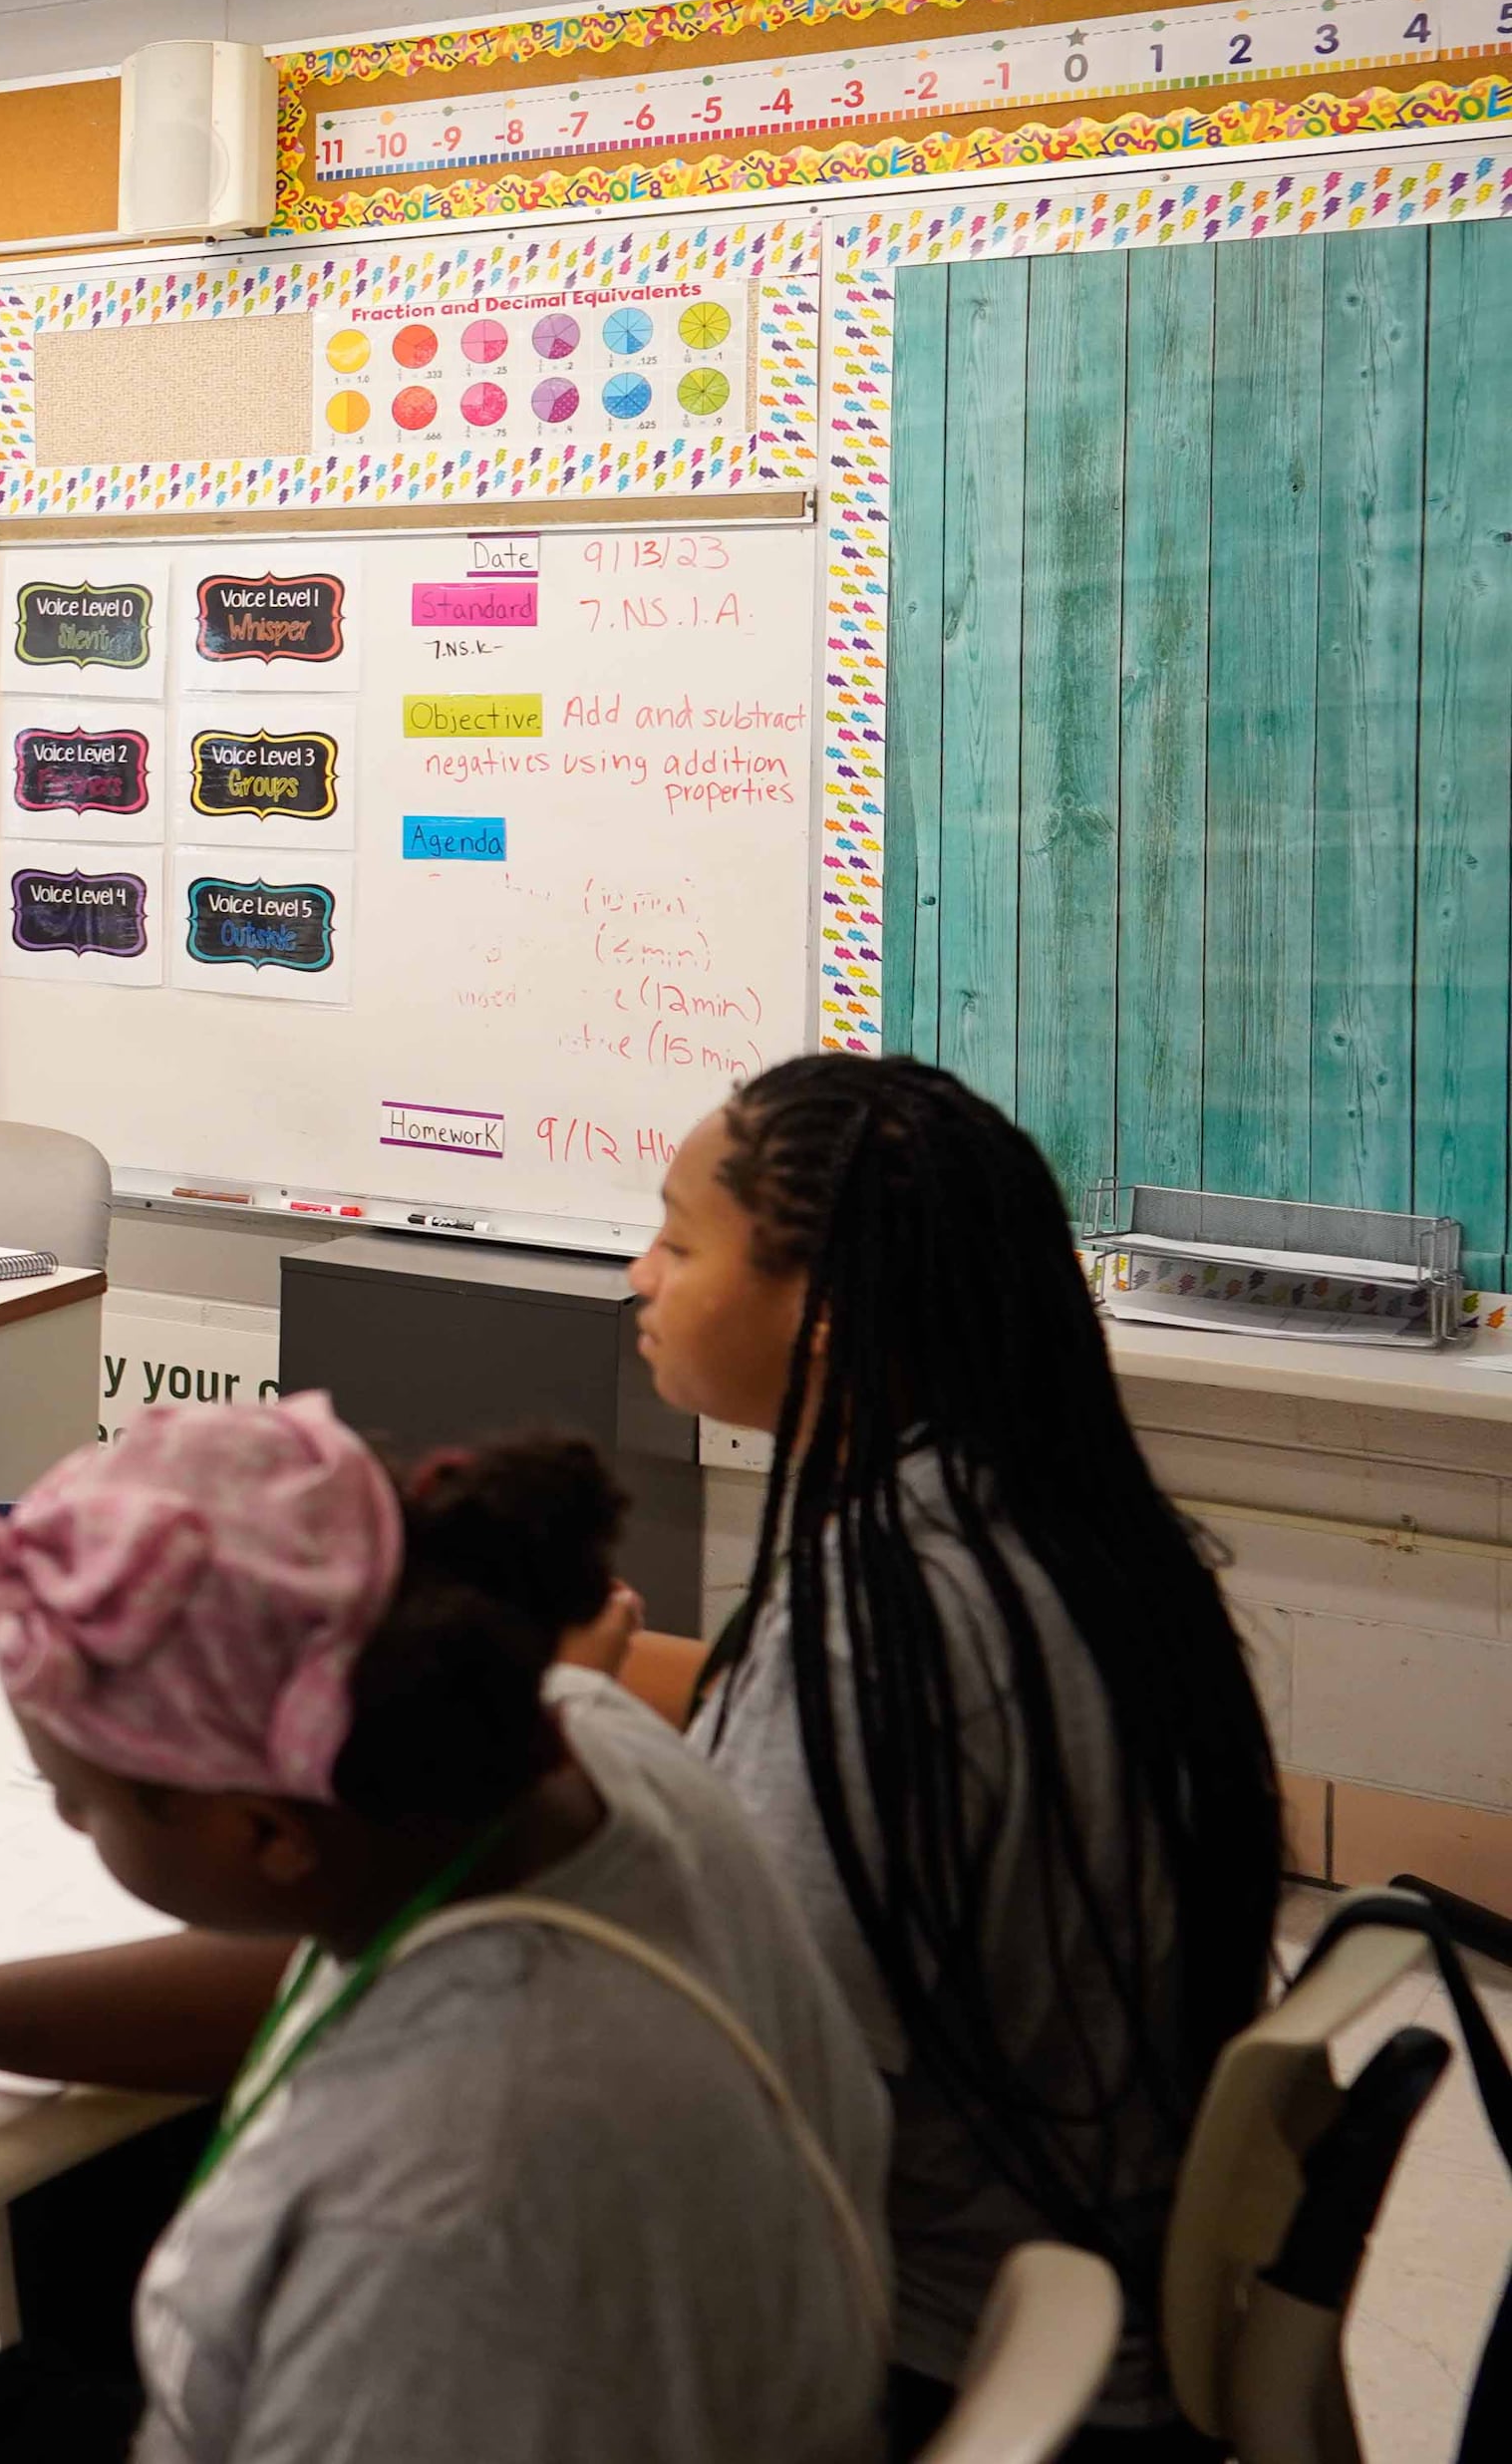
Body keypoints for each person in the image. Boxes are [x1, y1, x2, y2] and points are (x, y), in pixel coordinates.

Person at [0, 1401, 888, 2464]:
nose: (72, 1831)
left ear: (266, 1834)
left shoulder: (436, 2202)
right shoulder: (562, 1752)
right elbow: (308, 1969)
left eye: (81, 1805)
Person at [621, 1053, 1284, 2457]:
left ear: (828, 1320)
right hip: (1098, 2308)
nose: (638, 1274)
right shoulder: (1042, 1519)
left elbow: (759, 2091)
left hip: (925, 2356)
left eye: (679, 1241)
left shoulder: (880, 1619)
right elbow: (772, 1721)